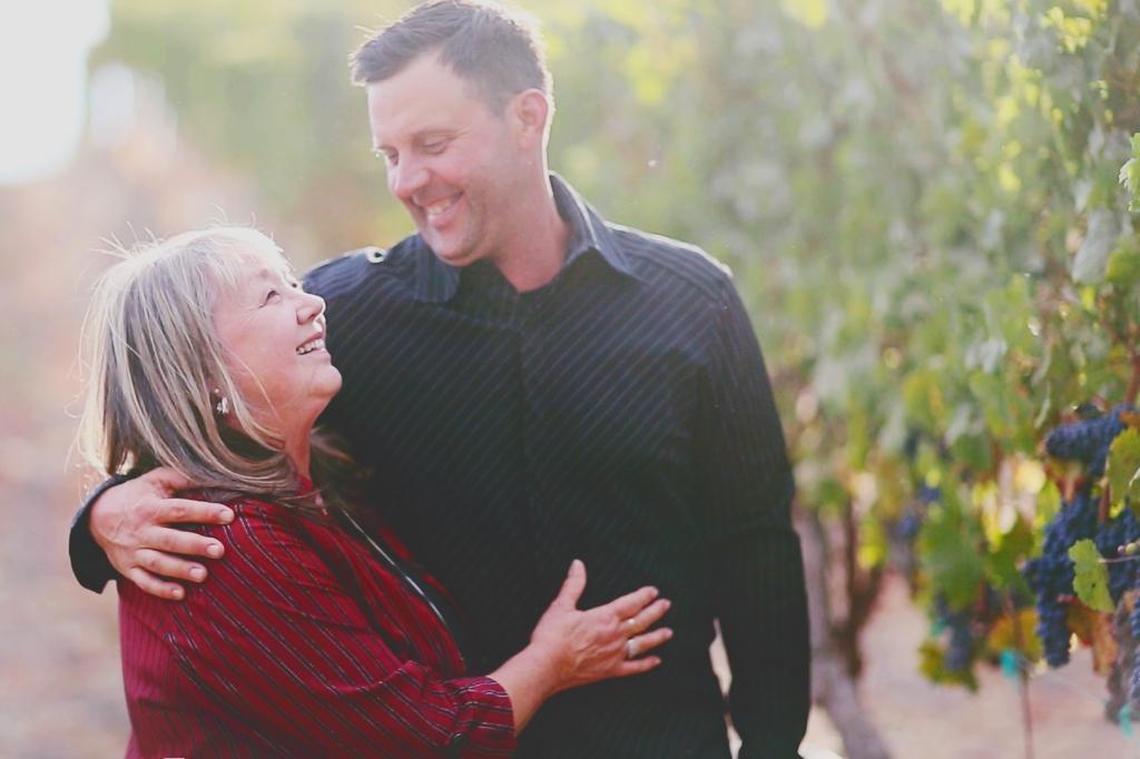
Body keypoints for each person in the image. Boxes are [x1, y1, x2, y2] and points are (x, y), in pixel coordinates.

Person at [70, 1, 811, 756]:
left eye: (432, 144)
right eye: (389, 153)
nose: (407, 180)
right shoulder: (344, 315)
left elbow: (756, 551)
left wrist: (773, 745)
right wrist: (101, 517)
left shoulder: (692, 301)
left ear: (528, 118)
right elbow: (203, 430)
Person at [77, 227, 673, 757]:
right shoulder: (224, 549)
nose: (313, 302)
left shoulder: (317, 478)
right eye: (270, 296)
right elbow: (428, 741)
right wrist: (552, 663)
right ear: (201, 373)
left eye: (292, 283)